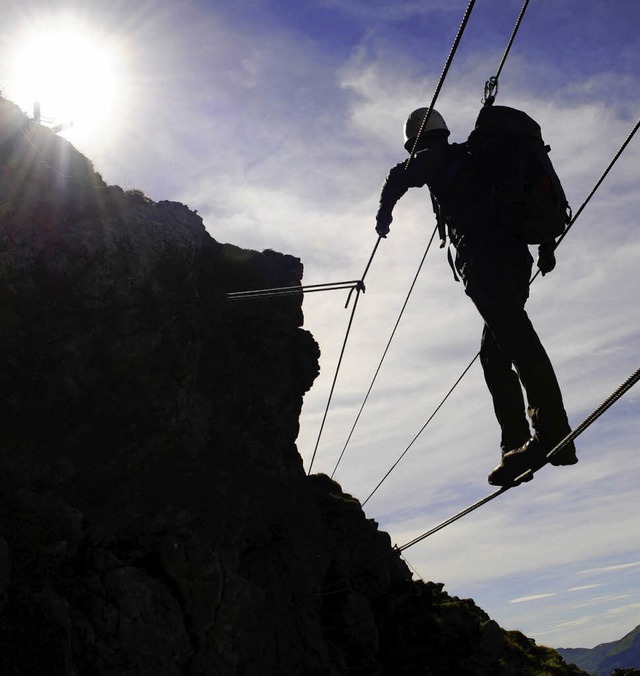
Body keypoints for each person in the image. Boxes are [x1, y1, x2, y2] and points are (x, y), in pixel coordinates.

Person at [375, 107, 577, 486]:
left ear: (415, 141)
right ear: (445, 130)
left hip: (482, 259)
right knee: (495, 352)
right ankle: (515, 446)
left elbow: (398, 177)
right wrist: (546, 247)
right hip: (516, 258)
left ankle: (553, 433)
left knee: (516, 337)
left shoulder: (437, 158)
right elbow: (524, 197)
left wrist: (383, 216)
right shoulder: (483, 158)